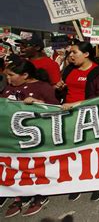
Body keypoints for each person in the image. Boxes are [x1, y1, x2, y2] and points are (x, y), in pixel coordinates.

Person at [1, 59, 58, 218]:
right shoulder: (9, 88)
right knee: (16, 166)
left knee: (37, 165)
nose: (9, 79)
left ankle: (40, 194)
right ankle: (19, 195)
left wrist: (39, 104)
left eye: (11, 75)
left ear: (25, 75)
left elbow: (56, 110)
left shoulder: (43, 87)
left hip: (37, 138)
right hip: (12, 138)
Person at [57, 41, 99, 202]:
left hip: (90, 117)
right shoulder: (69, 70)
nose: (71, 55)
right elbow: (66, 90)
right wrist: (59, 88)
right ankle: (78, 182)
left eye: (74, 52)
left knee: (91, 151)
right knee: (73, 151)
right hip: (69, 116)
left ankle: (97, 184)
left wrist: (74, 105)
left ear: (86, 54)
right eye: (70, 53)